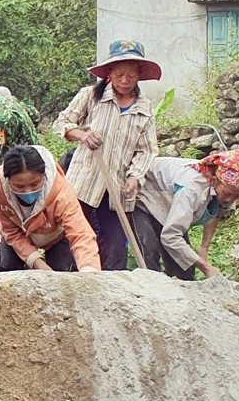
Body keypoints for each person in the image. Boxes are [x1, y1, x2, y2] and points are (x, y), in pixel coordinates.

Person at [53, 40, 160, 271]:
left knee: (114, 250)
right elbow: (61, 123)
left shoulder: (144, 107)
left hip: (116, 191)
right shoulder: (91, 96)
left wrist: (134, 177)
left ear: (139, 75)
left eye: (131, 75)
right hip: (83, 185)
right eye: (119, 74)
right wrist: (82, 135)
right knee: (75, 241)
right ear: (109, 73)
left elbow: (147, 150)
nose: (124, 81)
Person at [133, 146, 239, 280]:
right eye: (227, 194)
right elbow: (171, 236)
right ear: (215, 181)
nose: (229, 199)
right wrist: (206, 268)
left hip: (168, 204)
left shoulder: (228, 189)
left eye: (236, 196)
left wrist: (203, 249)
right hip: (143, 194)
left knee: (184, 270)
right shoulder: (192, 187)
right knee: (149, 256)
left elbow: (216, 212)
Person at [0, 145, 101, 272]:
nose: (28, 191)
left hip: (55, 235)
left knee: (61, 274)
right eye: (19, 186)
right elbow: (11, 230)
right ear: (8, 181)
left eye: (35, 184)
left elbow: (80, 233)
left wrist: (89, 270)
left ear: (44, 175)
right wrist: (37, 263)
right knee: (8, 270)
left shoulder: (61, 193)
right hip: (18, 234)